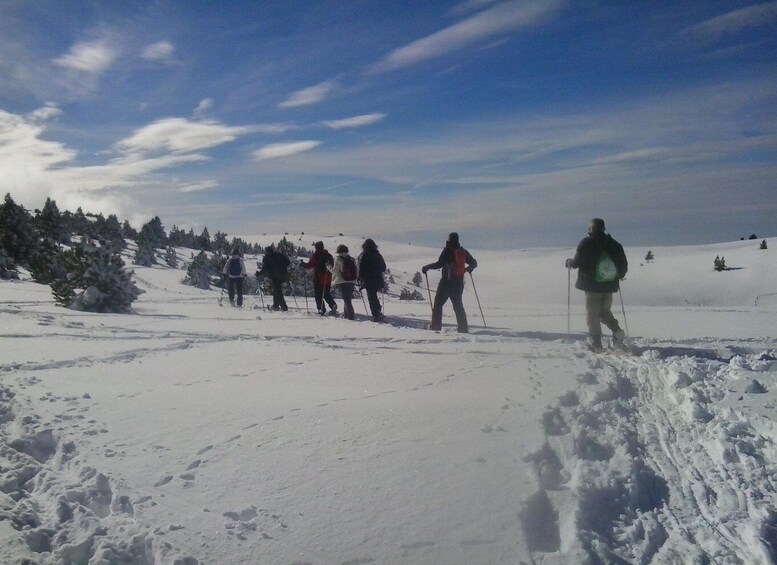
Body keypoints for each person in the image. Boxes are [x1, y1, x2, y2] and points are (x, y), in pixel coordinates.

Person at [565, 218, 628, 352]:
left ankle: (596, 344)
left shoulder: (586, 243)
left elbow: (577, 262)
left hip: (591, 286)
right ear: (603, 228)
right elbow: (623, 264)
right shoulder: (614, 244)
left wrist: (569, 263)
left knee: (592, 315)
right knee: (604, 312)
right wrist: (618, 276)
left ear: (591, 229)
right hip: (609, 286)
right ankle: (617, 331)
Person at [422, 232, 477, 333]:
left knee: (438, 304)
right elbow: (474, 263)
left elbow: (439, 264)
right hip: (458, 283)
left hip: (446, 283)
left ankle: (436, 326)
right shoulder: (463, 251)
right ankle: (463, 328)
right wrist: (468, 269)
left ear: (449, 239)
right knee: (458, 306)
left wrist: (427, 267)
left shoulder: (447, 251)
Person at [302, 241, 337, 315]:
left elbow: (310, 264)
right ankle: (333, 304)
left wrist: (303, 264)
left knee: (318, 294)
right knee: (326, 293)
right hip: (328, 277)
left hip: (318, 277)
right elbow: (332, 266)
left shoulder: (316, 255)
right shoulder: (329, 255)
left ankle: (321, 309)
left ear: (316, 247)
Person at [357, 238, 387, 322]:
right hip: (377, 278)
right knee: (373, 295)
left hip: (368, 279)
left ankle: (376, 314)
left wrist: (359, 278)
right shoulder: (377, 254)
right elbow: (383, 267)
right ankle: (378, 310)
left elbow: (361, 268)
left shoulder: (364, 255)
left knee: (371, 296)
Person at [257, 245, 290, 311]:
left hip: (275, 276)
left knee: (278, 291)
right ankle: (276, 305)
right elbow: (288, 262)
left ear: (267, 251)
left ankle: (284, 307)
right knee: (276, 290)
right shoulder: (279, 255)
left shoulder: (267, 257)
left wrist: (259, 273)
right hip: (283, 275)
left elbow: (265, 268)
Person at [331, 244, 358, 320]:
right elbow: (356, 270)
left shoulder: (338, 259)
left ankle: (350, 316)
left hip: (342, 281)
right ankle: (346, 315)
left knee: (346, 299)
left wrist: (329, 268)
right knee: (347, 298)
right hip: (352, 281)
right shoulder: (352, 259)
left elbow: (335, 271)